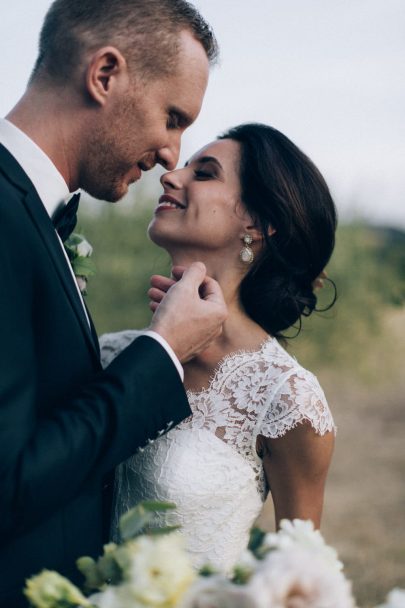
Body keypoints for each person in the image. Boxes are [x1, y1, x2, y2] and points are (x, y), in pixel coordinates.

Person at [0, 1, 227, 606]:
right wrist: (162, 351)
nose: (171, 156)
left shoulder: (30, 214)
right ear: (104, 75)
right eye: (172, 116)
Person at [100, 123, 338, 573]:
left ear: (259, 223)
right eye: (184, 167)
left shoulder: (286, 398)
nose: (171, 176)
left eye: (204, 173)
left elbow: (301, 577)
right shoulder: (110, 355)